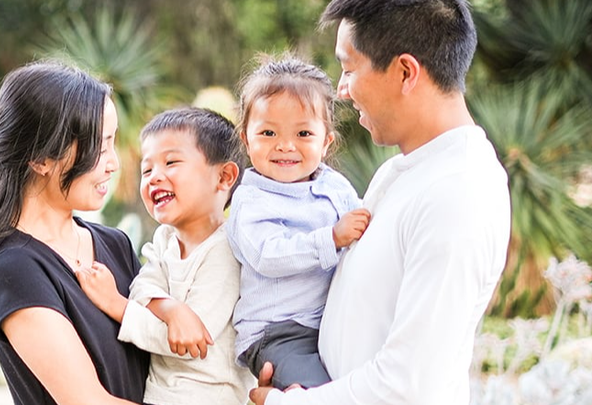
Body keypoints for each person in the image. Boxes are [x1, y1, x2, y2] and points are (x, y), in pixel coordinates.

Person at [249, 0, 512, 404]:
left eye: (349, 69)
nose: (341, 89)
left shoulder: (458, 194)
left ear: (405, 72)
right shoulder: (401, 172)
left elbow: (408, 385)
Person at [0, 60, 149, 405]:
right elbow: (89, 402)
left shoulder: (115, 244)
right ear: (41, 158)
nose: (113, 163)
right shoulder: (15, 267)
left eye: (112, 143)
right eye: (99, 147)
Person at [76, 107, 256, 405]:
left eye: (171, 162)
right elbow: (141, 286)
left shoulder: (226, 249)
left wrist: (115, 304)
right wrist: (171, 309)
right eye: (147, 170)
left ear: (224, 176)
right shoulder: (165, 239)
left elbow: (187, 342)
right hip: (161, 394)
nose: (154, 177)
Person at [227, 54, 371, 390]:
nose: (285, 145)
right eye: (268, 132)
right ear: (246, 139)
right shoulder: (251, 201)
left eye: (304, 132)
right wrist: (331, 238)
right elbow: (268, 255)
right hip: (278, 333)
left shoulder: (335, 186)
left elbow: (364, 224)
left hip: (331, 323)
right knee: (318, 395)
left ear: (326, 142)